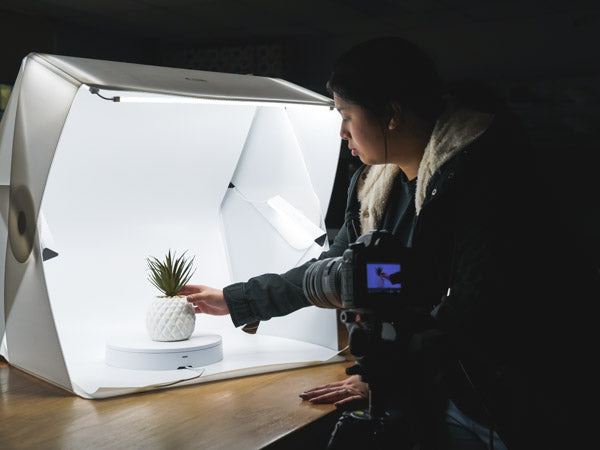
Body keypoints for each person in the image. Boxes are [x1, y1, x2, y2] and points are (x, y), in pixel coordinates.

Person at [181, 37, 598, 449]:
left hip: (509, 406)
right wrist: (238, 300)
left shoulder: (485, 181)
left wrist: (384, 376)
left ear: (391, 115)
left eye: (346, 114)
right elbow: (338, 269)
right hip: (437, 393)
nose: (342, 131)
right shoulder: (377, 189)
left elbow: (474, 310)